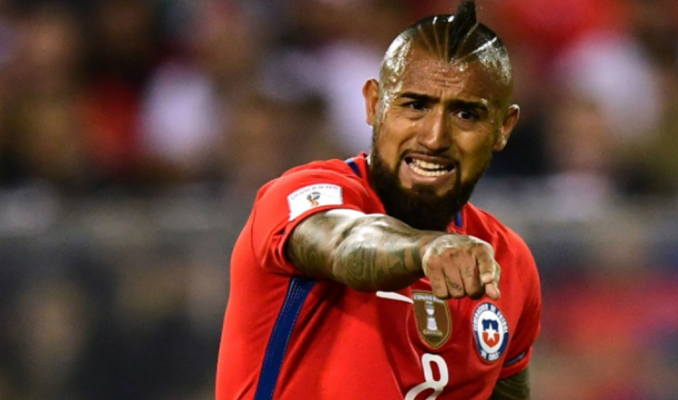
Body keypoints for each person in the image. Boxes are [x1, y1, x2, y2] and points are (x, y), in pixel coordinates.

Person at [216, 1, 541, 399]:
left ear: (504, 127)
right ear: (374, 103)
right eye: (415, 105)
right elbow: (346, 243)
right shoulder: (296, 197)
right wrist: (426, 249)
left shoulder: (508, 262)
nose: (434, 137)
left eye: (466, 115)